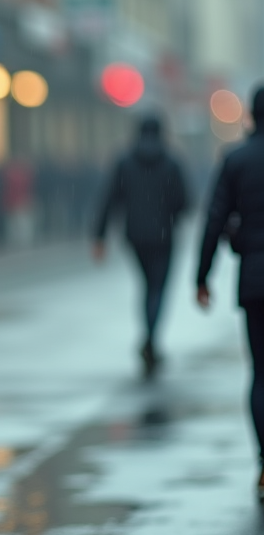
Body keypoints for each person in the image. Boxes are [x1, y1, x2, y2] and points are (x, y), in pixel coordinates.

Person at [195, 85, 264, 499]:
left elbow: (215, 217)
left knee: (261, 374)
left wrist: (201, 276)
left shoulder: (236, 160)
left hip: (255, 278)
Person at [93, 114, 189, 375]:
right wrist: (168, 213)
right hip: (163, 235)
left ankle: (148, 335)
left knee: (147, 286)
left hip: (135, 235)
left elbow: (109, 199)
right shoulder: (171, 162)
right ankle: (151, 337)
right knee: (158, 288)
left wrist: (99, 236)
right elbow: (185, 201)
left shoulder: (124, 162)